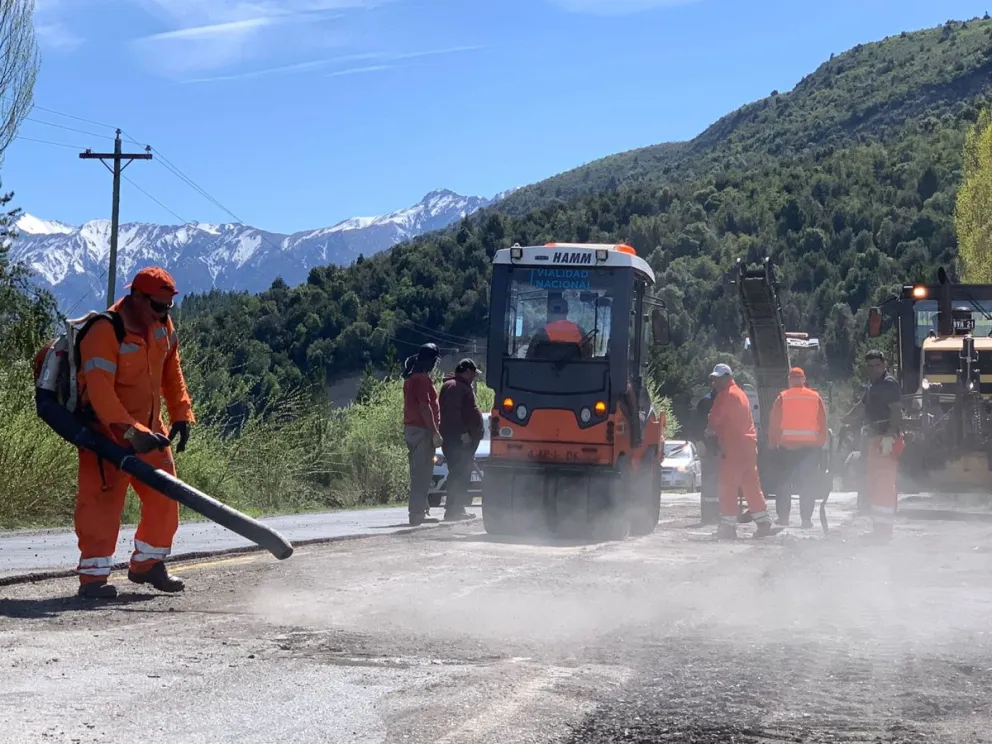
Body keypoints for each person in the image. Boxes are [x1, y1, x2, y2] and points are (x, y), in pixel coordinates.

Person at [74, 266, 195, 599]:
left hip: (151, 434)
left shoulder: (162, 327)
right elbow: (100, 395)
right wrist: (130, 431)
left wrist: (182, 414)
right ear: (136, 298)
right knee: (100, 506)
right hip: (105, 435)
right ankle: (94, 579)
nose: (163, 313)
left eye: (168, 307)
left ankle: (148, 565)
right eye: (158, 306)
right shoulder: (104, 331)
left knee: (166, 496)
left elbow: (173, 374)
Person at [705, 363, 774, 539]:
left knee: (728, 486)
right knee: (751, 485)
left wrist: (709, 432)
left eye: (717, 379)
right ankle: (763, 523)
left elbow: (716, 419)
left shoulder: (726, 396)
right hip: (748, 446)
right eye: (713, 379)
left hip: (733, 446)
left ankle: (728, 527)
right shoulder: (741, 394)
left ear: (727, 377)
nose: (714, 383)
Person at [843, 350, 903, 543]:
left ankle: (884, 531)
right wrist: (845, 420)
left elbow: (896, 411)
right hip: (874, 439)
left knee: (884, 485)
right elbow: (861, 406)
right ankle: (879, 528)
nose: (874, 369)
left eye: (877, 365)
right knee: (875, 484)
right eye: (870, 366)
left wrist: (889, 436)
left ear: (884, 365)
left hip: (885, 439)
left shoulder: (888, 384)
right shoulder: (873, 385)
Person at [768, 367, 828, 528]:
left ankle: (783, 518)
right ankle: (806, 519)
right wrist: (820, 444)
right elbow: (823, 423)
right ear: (804, 379)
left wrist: (773, 444)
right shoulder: (815, 397)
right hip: (809, 449)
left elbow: (774, 423)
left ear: (789, 380)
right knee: (807, 484)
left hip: (787, 448)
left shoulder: (782, 397)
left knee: (784, 484)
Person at [438, 359, 485, 522]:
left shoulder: (458, 386)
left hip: (461, 440)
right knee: (458, 474)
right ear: (466, 371)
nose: (473, 377)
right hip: (458, 440)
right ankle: (453, 509)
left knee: (462, 474)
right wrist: (463, 433)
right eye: (472, 373)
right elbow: (452, 413)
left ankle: (457, 508)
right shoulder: (455, 387)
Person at [402, 343, 442, 526]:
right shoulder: (422, 380)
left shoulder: (411, 378)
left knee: (417, 471)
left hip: (412, 429)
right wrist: (435, 431)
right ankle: (416, 513)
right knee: (423, 473)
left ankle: (420, 510)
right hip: (422, 430)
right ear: (432, 360)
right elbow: (425, 407)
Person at [526, 295, 592, 359]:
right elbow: (587, 358)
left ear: (549, 312)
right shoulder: (580, 332)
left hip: (544, 370)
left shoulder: (541, 334)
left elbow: (529, 360)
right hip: (577, 370)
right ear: (567, 312)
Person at [693, 389, 721, 525]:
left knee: (714, 483)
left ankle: (713, 515)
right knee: (710, 483)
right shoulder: (706, 402)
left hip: (717, 447)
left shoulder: (709, 401)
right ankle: (710, 515)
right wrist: (700, 442)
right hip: (710, 447)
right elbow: (698, 425)